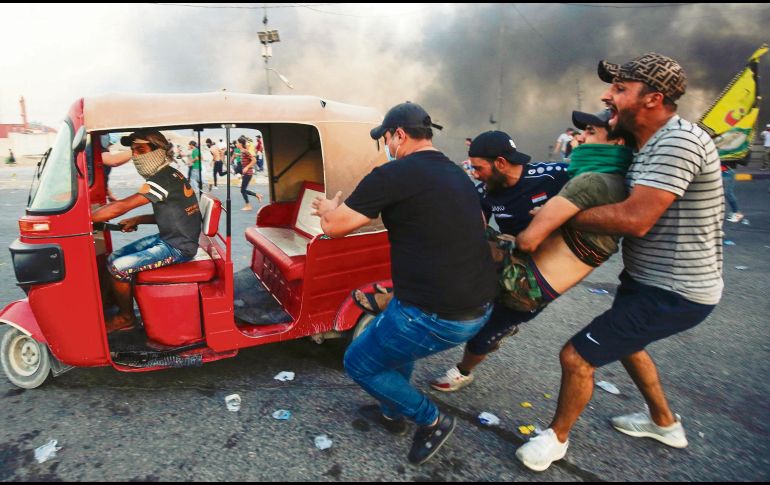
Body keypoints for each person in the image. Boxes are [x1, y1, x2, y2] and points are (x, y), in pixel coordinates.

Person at [515, 53, 724, 472]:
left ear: (653, 99)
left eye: (620, 89)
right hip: (648, 280)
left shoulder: (678, 142)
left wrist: (561, 216)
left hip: (676, 290)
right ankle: (664, 423)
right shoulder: (647, 143)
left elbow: (636, 219)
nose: (607, 96)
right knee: (628, 344)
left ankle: (555, 440)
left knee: (577, 356)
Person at [311, 102, 497, 465]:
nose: (385, 147)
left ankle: (432, 420)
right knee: (397, 348)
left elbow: (333, 227)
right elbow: (477, 223)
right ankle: (391, 412)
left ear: (398, 134)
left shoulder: (392, 175)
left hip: (433, 313)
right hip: (477, 305)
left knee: (360, 363)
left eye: (385, 139)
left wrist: (327, 210)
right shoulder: (457, 173)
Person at [91, 130, 202, 332]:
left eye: (140, 150)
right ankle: (115, 301)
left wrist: (84, 218)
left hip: (179, 247)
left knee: (118, 267)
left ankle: (126, 317)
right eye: (133, 151)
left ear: (158, 151)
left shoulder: (161, 180)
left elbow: (121, 206)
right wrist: (138, 219)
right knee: (113, 257)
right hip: (171, 238)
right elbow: (174, 214)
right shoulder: (170, 174)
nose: (135, 156)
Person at [100, 134, 133, 202]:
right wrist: (137, 149)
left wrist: (109, 194)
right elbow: (113, 161)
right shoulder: (95, 149)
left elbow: (102, 177)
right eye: (109, 144)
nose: (109, 147)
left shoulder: (100, 149)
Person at [237, 136, 264, 211]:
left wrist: (247, 167)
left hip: (248, 173)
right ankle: (257, 195)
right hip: (247, 173)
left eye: (237, 143)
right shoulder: (242, 152)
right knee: (243, 190)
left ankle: (248, 206)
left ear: (240, 144)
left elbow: (254, 160)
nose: (236, 144)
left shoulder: (245, 151)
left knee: (242, 190)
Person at [721, 158, 745, 223]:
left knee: (728, 193)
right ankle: (735, 212)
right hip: (723, 173)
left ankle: (736, 212)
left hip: (726, 173)